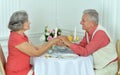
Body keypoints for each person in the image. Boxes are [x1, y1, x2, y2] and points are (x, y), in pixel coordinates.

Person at [58, 9, 118, 75]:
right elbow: (81, 46)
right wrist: (66, 44)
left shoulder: (100, 34)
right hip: (98, 67)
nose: (80, 22)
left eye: (83, 21)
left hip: (108, 68)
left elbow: (85, 52)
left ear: (92, 23)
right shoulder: (88, 32)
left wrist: (69, 43)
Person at [6, 10, 60, 75]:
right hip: (17, 72)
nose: (29, 22)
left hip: (23, 69)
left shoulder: (21, 35)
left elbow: (36, 48)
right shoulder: (16, 38)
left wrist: (52, 42)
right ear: (20, 24)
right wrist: (51, 42)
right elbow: (36, 53)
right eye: (27, 21)